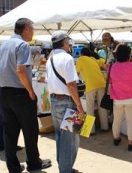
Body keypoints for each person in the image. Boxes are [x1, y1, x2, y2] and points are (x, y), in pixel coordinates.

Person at [0, 18, 51, 172]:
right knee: (30, 130)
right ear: (26, 29)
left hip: (5, 93)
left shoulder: (4, 45)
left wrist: (4, 85)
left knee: (10, 132)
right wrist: (30, 91)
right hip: (21, 93)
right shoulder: (22, 45)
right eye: (32, 29)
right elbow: (20, 70)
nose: (32, 32)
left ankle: (13, 166)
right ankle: (33, 163)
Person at [46, 30, 84, 173]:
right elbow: (71, 84)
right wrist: (79, 106)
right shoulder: (67, 58)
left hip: (55, 100)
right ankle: (65, 170)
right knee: (70, 139)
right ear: (64, 43)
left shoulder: (50, 58)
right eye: (68, 42)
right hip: (67, 102)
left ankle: (63, 166)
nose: (69, 44)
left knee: (60, 136)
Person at [109, 44, 132, 151]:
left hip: (117, 98)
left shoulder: (113, 66)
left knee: (117, 120)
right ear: (129, 55)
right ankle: (131, 142)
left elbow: (111, 81)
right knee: (131, 121)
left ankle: (116, 138)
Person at [76, 47, 109, 134]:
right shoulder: (93, 59)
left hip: (90, 85)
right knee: (102, 106)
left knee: (89, 107)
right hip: (101, 83)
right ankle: (105, 127)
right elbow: (102, 60)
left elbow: (76, 73)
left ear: (82, 54)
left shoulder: (81, 59)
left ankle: (90, 130)